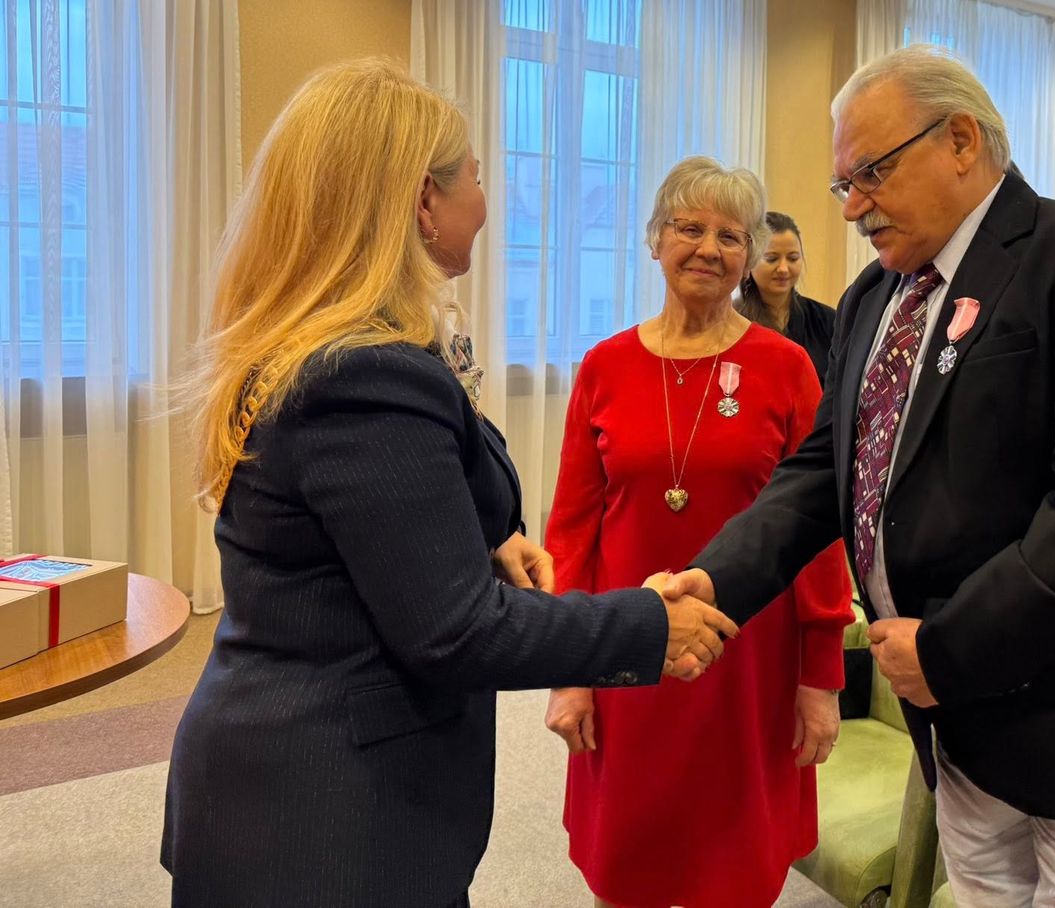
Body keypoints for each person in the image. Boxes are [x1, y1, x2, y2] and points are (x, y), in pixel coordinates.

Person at [666, 46, 1055, 906]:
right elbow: (821, 469)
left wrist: (946, 651)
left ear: (960, 140)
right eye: (844, 183)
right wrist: (717, 578)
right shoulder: (872, 299)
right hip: (963, 727)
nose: (852, 206)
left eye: (871, 173)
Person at [161, 60, 736, 908]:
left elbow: (357, 530)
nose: (487, 199)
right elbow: (456, 632)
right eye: (476, 175)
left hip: (283, 777)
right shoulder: (363, 376)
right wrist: (649, 624)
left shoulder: (324, 347)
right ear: (424, 202)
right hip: (326, 823)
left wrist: (482, 539)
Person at [543, 156, 853, 908]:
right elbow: (573, 529)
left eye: (731, 235)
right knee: (630, 856)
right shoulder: (604, 366)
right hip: (626, 644)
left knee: (734, 865)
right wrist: (568, 667)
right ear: (655, 240)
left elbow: (819, 534)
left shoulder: (787, 367)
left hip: (751, 658)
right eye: (689, 228)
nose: (709, 248)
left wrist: (819, 678)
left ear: (749, 256)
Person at [735, 210, 837, 384]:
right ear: (749, 261)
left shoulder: (827, 320)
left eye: (793, 258)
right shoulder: (731, 321)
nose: (783, 268)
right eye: (771, 258)